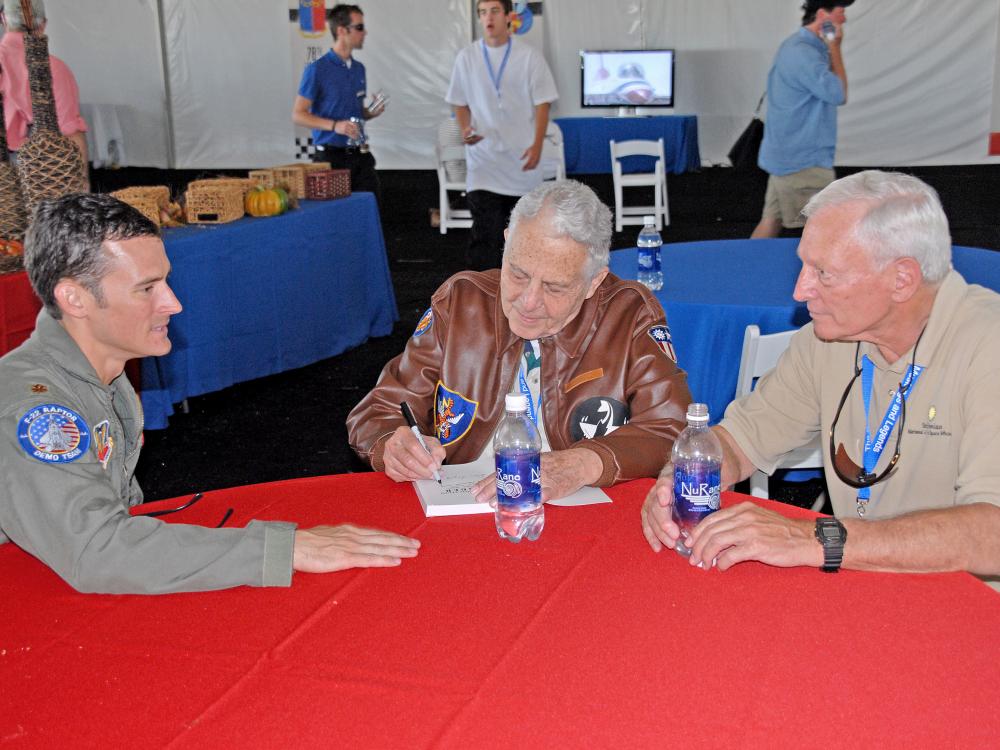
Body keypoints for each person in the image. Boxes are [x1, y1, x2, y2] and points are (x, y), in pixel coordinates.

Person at [0, 193, 419, 594]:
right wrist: (284, 549)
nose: (173, 303)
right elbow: (96, 550)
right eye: (147, 288)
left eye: (165, 281)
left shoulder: (94, 372)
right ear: (74, 299)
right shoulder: (37, 409)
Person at [642, 171, 1000, 587]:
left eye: (823, 273)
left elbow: (992, 534)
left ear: (902, 279)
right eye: (803, 266)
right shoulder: (830, 337)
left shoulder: (987, 345)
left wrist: (812, 537)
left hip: (971, 608)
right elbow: (741, 439)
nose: (799, 290)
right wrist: (682, 476)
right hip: (862, 581)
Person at [348, 180, 691, 503]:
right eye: (517, 274)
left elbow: (672, 428)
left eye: (554, 287)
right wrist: (391, 443)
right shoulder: (461, 303)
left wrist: (585, 463)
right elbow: (379, 409)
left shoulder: (629, 315)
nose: (528, 301)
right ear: (506, 242)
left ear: (593, 283)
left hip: (575, 505)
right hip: (463, 504)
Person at [445, 0, 558, 271]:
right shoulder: (467, 57)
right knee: (486, 234)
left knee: (523, 237)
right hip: (484, 164)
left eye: (494, 11)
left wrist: (537, 146)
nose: (488, 18)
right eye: (482, 12)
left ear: (509, 16)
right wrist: (465, 128)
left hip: (521, 162)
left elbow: (543, 103)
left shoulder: (529, 56)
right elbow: (458, 101)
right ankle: (483, 297)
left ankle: (523, 298)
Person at [750, 0, 852, 239]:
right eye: (841, 13)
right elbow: (838, 93)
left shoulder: (797, 47)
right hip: (803, 161)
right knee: (821, 233)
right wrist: (836, 47)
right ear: (822, 15)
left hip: (786, 155)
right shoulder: (803, 53)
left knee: (771, 222)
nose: (844, 20)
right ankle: (806, 277)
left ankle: (741, 270)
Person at [292, 4, 385, 204]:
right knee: (335, 218)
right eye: (359, 27)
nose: (365, 32)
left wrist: (370, 112)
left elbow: (357, 112)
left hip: (360, 155)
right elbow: (298, 114)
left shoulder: (359, 69)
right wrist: (336, 126)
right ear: (342, 31)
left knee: (370, 209)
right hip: (330, 159)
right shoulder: (318, 69)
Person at [0, 0, 89, 190]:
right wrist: (82, 184)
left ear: (3, 20)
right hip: (36, 174)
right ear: (43, 25)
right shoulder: (54, 69)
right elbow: (71, 135)